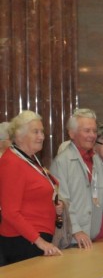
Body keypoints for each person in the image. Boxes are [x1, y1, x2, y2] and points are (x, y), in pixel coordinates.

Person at [51, 108, 103, 248]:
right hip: (72, 241)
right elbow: (63, 201)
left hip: (92, 239)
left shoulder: (96, 161)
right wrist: (76, 231)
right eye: (87, 131)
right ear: (72, 133)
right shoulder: (62, 162)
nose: (92, 135)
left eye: (94, 131)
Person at [0, 111, 63, 264]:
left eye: (42, 131)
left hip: (35, 239)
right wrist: (40, 242)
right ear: (19, 136)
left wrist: (53, 205)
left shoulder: (30, 159)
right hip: (23, 241)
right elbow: (10, 212)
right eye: (36, 132)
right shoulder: (12, 163)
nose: (41, 136)